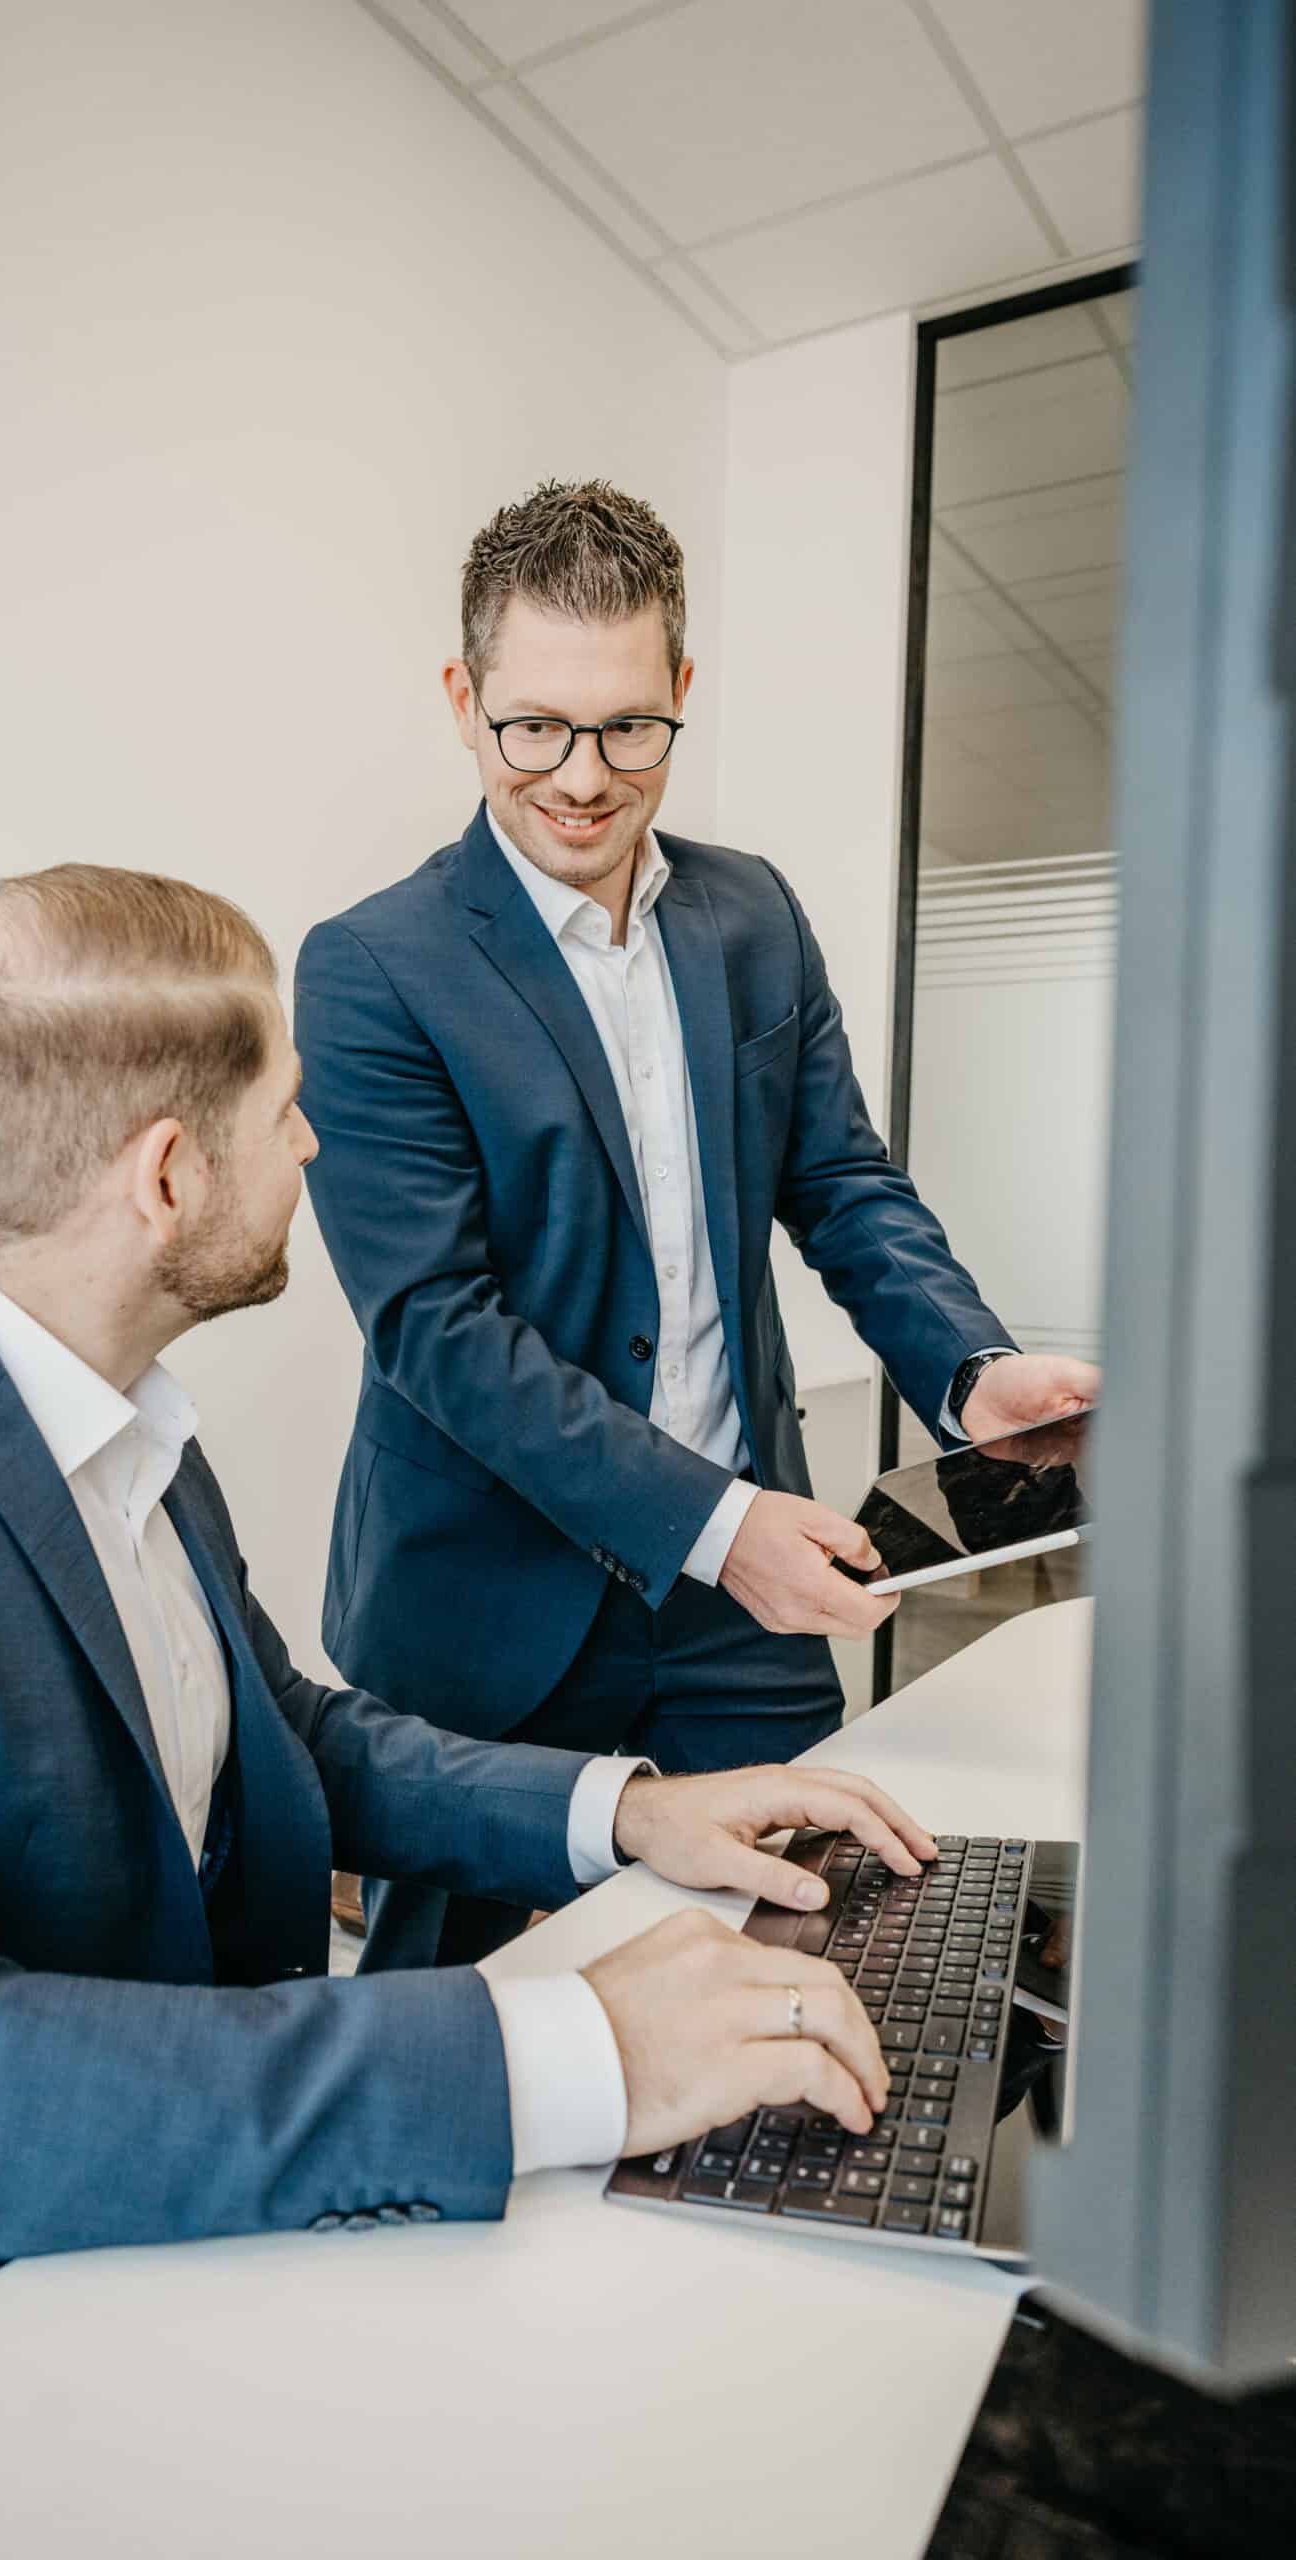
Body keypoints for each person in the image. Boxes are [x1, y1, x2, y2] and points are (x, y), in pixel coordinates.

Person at [0, 863, 935, 2522]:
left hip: (127, 2214)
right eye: (289, 1112)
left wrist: (628, 1809)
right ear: (168, 1173)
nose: (314, 1151)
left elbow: (275, 1742)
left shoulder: (116, 1418)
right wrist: (564, 2049)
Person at [295, 480, 1099, 1975]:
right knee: (458, 2010)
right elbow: (435, 1329)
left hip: (745, 1611)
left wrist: (972, 1372)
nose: (583, 777)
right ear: (465, 702)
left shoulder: (753, 917)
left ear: (681, 690)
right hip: (486, 1605)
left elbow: (842, 1182)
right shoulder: (372, 969)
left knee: (809, 1951)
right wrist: (718, 1532)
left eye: (626, 726)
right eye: (536, 724)